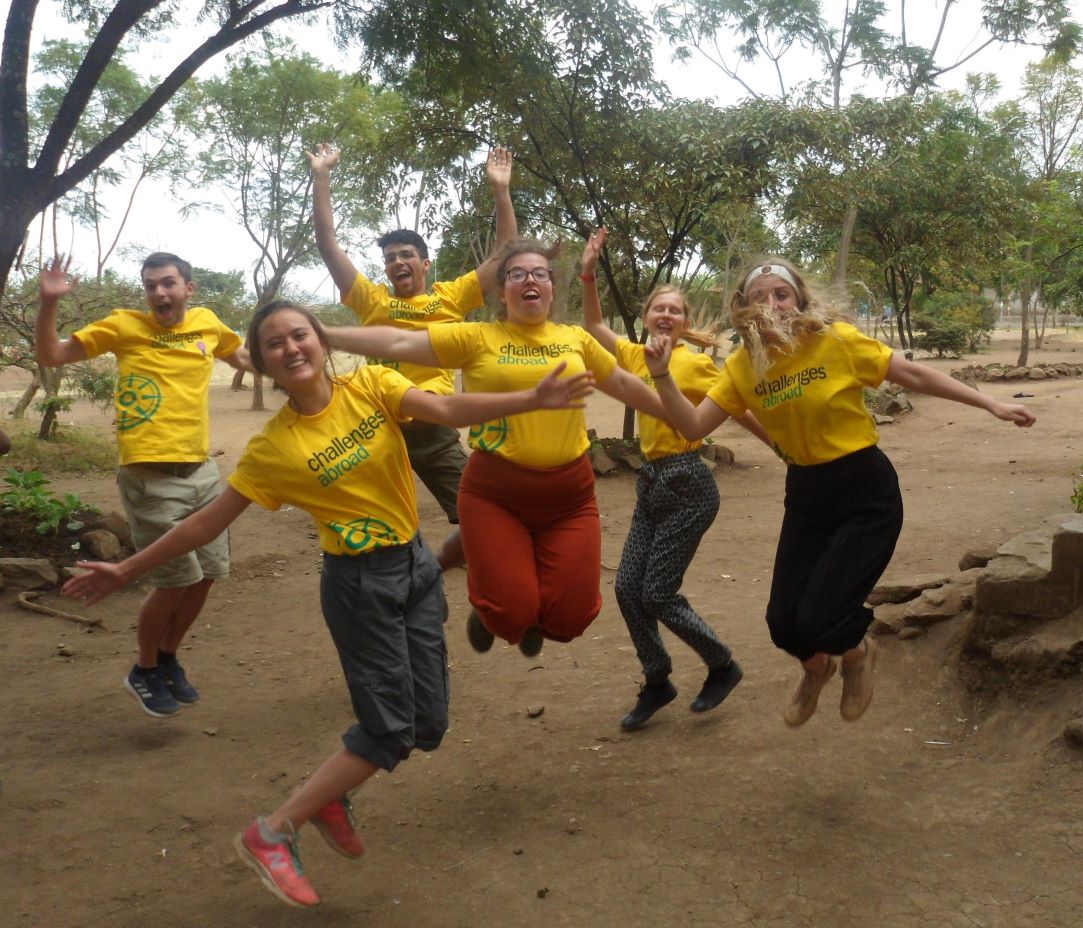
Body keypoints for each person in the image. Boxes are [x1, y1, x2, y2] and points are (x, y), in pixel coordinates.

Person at [62, 300, 593, 908]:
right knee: (389, 728)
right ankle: (272, 831)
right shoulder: (274, 448)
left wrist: (531, 399)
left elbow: (446, 408)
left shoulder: (370, 384)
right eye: (274, 344)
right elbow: (205, 524)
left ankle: (331, 796)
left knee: (430, 725)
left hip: (415, 570)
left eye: (299, 335)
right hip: (360, 587)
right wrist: (126, 568)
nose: (291, 349)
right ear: (261, 362)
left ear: (319, 341)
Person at [644, 257, 1036, 727]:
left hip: (863, 492)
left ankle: (857, 653)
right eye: (759, 297)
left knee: (819, 617)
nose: (772, 304)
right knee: (782, 624)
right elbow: (691, 424)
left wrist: (989, 403)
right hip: (807, 493)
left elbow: (913, 375)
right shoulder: (744, 367)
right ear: (743, 309)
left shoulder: (836, 341)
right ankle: (818, 669)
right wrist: (663, 375)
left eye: (781, 294)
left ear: (799, 299)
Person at [323, 238, 673, 659]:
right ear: (502, 291)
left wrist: (679, 413)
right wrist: (320, 333)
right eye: (517, 274)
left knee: (571, 618)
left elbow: (623, 383)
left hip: (569, 496)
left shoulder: (575, 339)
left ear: (551, 288)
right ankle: (497, 611)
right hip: (496, 493)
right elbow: (396, 344)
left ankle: (523, 608)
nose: (530, 280)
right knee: (509, 613)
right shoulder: (475, 337)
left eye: (540, 274)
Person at [36, 253, 252, 719]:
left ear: (188, 288)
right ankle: (144, 668)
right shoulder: (123, 326)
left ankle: (169, 658)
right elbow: (52, 353)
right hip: (149, 478)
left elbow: (246, 358)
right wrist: (48, 302)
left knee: (209, 574)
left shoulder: (208, 324)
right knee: (174, 581)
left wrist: (300, 364)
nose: (159, 293)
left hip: (202, 471)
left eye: (168, 284)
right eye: (151, 285)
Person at [580, 228, 768, 731]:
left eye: (675, 310)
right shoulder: (637, 357)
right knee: (626, 589)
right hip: (650, 483)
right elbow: (594, 325)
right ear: (645, 318)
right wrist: (589, 272)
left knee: (658, 592)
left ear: (685, 322)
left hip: (688, 482)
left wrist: (780, 444)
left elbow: (739, 407)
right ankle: (658, 678)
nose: (666, 315)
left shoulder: (697, 363)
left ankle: (722, 665)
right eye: (658, 309)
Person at [308, 143, 517, 571]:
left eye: (406, 256)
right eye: (389, 259)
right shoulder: (371, 300)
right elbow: (327, 245)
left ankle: (439, 564)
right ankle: (390, 579)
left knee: (478, 513)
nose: (397, 262)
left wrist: (501, 192)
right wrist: (322, 177)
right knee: (373, 520)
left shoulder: (451, 297)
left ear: (425, 263)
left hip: (434, 432)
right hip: (379, 428)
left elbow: (503, 257)